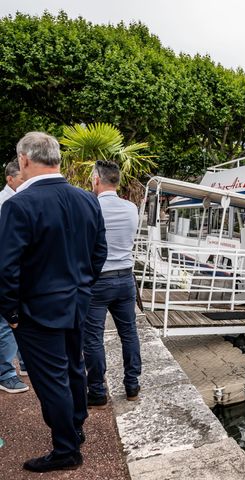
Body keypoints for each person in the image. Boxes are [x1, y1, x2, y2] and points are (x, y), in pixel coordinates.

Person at [0, 132, 107, 472]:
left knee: (51, 380)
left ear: (25, 160)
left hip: (37, 310)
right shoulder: (87, 199)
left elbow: (6, 267)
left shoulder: (18, 205)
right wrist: (83, 285)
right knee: (74, 368)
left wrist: (12, 313)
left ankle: (66, 450)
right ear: (56, 159)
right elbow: (98, 252)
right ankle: (75, 427)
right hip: (77, 302)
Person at [84, 160, 141, 408]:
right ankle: (132, 386)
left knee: (93, 337)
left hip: (99, 280)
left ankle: (97, 391)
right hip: (126, 278)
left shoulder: (90, 207)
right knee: (128, 333)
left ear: (97, 179)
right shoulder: (131, 208)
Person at [0, 160, 29, 394]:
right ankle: (6, 373)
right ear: (10, 179)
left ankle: (25, 363)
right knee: (4, 324)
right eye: (21, 178)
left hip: (18, 270)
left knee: (17, 318)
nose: (26, 181)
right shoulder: (4, 202)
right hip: (6, 270)